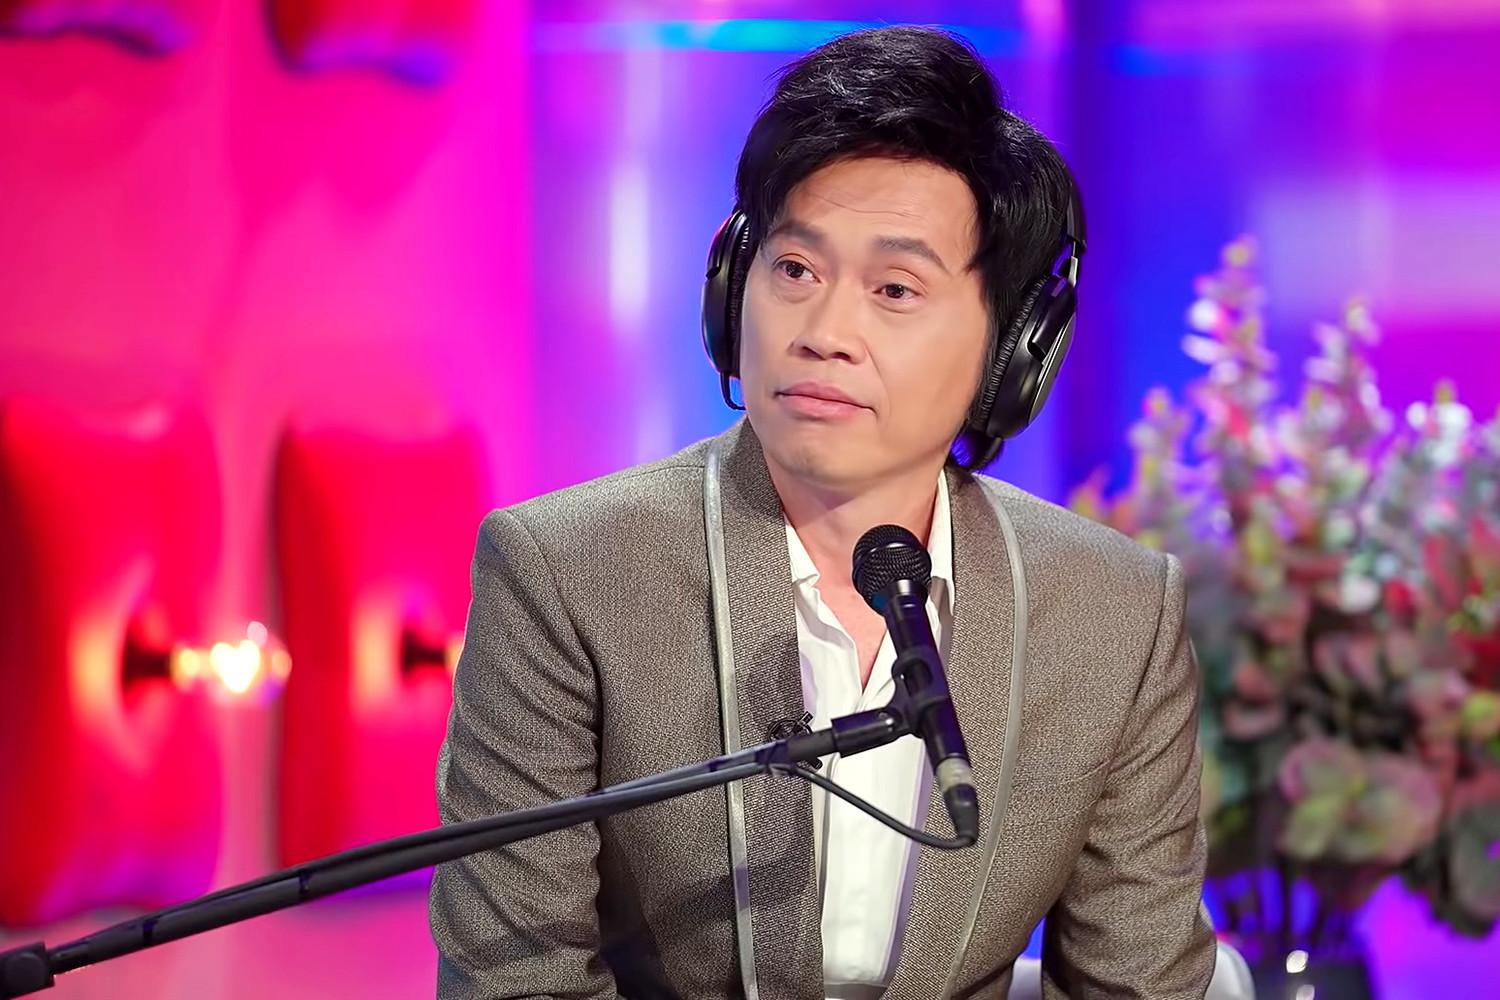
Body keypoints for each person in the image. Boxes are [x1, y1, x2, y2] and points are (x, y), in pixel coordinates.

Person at [430, 25, 1216, 1000]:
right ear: (734, 286)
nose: (825, 332)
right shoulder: (564, 574)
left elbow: (1138, 983)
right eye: (796, 269)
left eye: (895, 289)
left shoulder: (1112, 612)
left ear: (1012, 348)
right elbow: (518, 981)